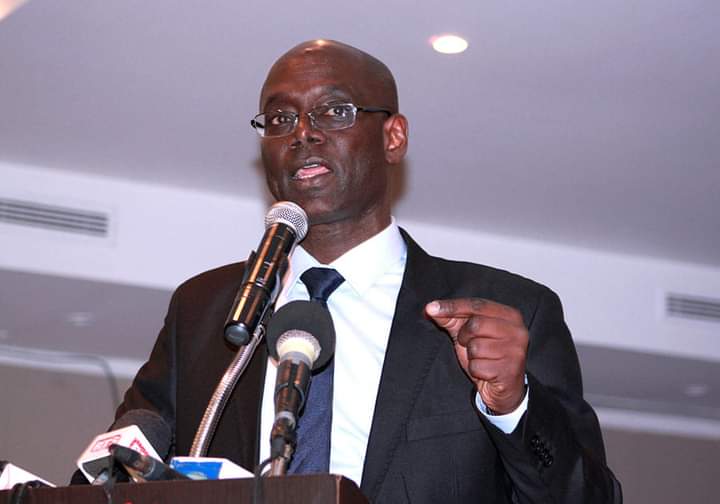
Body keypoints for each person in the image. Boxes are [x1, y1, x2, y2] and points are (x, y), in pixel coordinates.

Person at [100, 40, 622, 502]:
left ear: (393, 137)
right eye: (280, 119)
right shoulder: (205, 309)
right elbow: (114, 469)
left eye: (334, 112)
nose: (302, 133)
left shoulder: (505, 310)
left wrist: (513, 404)